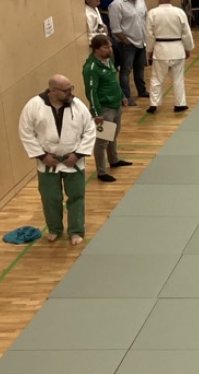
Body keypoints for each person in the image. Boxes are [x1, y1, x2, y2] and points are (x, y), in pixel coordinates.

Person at [19, 75, 96, 246]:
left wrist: (78, 154)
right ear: (53, 91)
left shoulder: (78, 105)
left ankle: (76, 230)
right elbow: (26, 132)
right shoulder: (34, 106)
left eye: (71, 88)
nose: (70, 93)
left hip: (73, 160)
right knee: (50, 198)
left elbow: (90, 130)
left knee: (76, 196)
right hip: (47, 162)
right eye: (66, 90)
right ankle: (54, 229)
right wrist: (42, 156)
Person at [82, 36, 133, 183]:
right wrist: (97, 113)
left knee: (113, 135)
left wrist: (122, 95)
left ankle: (114, 160)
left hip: (115, 104)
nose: (110, 49)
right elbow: (91, 92)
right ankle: (101, 171)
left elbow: (114, 81)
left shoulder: (108, 61)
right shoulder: (91, 68)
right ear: (96, 49)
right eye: (106, 47)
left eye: (110, 46)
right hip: (105, 108)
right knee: (102, 141)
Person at [145, 0, 194, 114]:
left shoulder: (153, 13)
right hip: (177, 49)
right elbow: (186, 32)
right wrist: (188, 48)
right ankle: (180, 104)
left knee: (157, 79)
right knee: (178, 79)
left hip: (160, 50)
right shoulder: (179, 12)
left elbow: (149, 34)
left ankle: (154, 104)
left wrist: (149, 50)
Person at [107, 0, 148, 106]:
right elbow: (115, 28)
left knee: (140, 68)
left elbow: (145, 20)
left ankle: (142, 91)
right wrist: (126, 42)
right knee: (125, 70)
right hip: (127, 44)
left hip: (141, 42)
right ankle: (126, 96)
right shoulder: (116, 5)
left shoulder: (141, 2)